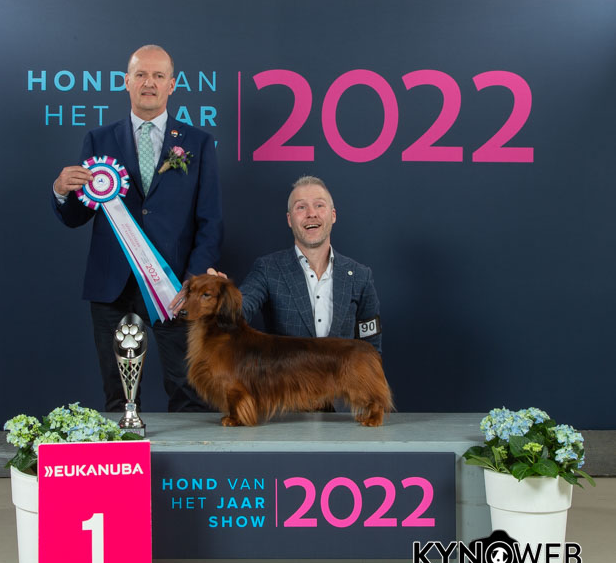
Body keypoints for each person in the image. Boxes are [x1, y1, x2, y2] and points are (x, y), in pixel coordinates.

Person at [52, 44, 222, 412]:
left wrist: (192, 283)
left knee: (189, 392)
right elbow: (76, 217)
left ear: (172, 85)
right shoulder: (98, 140)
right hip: (111, 287)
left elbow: (210, 222)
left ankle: (189, 454)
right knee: (119, 397)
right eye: (141, 74)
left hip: (174, 289)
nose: (149, 83)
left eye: (158, 75)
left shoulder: (198, 142)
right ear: (126, 81)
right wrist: (61, 191)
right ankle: (125, 450)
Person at [235, 176, 382, 354]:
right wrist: (219, 295)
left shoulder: (360, 276)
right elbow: (240, 310)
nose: (311, 213)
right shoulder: (267, 269)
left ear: (333, 215)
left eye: (319, 205)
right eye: (301, 207)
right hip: (285, 373)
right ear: (290, 220)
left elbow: (371, 347)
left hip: (345, 374)